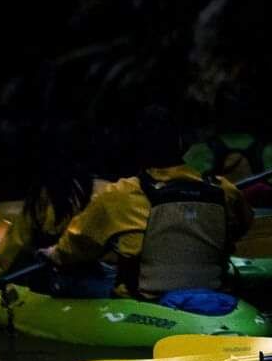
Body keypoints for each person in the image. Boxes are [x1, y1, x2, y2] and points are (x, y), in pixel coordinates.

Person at [36, 119, 255, 301]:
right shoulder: (223, 189)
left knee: (69, 277)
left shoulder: (121, 194)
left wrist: (54, 254)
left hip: (143, 299)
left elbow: (79, 244)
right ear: (182, 145)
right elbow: (242, 225)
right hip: (212, 290)